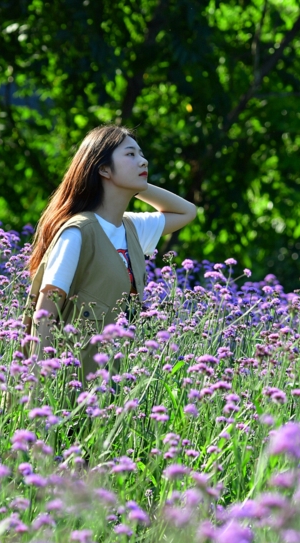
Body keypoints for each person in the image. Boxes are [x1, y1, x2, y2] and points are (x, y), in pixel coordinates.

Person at [25, 124, 197, 380]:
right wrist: (39, 383)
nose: (143, 160)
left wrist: (137, 183)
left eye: (141, 154)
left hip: (112, 383)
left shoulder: (132, 228)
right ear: (103, 168)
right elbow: (45, 313)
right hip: (68, 382)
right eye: (130, 155)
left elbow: (187, 212)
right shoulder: (78, 232)